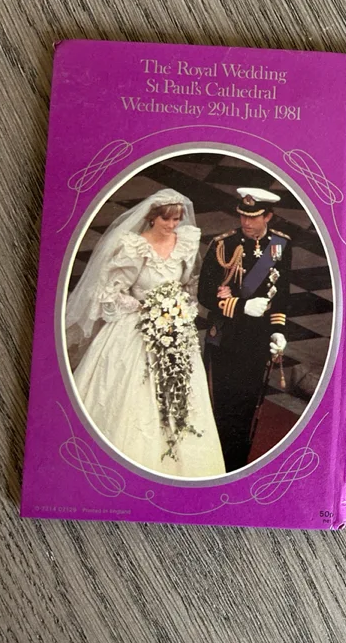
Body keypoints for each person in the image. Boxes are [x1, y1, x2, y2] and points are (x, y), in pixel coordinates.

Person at [66, 188, 225, 477]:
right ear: (152, 217)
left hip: (175, 329)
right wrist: (146, 308)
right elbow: (111, 293)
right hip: (136, 328)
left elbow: (189, 284)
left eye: (176, 219)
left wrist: (179, 308)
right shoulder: (134, 247)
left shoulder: (185, 243)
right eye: (166, 220)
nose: (172, 225)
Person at [198, 188, 292, 472]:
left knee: (248, 406)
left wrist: (278, 330)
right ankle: (216, 466)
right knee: (223, 407)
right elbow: (205, 294)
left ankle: (237, 466)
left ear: (268, 216)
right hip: (226, 337)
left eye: (253, 217)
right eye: (242, 216)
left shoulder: (280, 245)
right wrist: (240, 306)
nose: (246, 222)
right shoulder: (223, 245)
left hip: (257, 339)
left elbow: (281, 294)